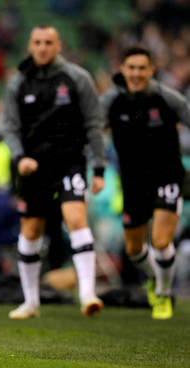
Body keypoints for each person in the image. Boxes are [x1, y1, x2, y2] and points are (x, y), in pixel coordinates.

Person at [2, 25, 106, 319]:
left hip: (70, 162)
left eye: (49, 42)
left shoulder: (77, 78)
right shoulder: (19, 83)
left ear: (59, 45)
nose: (43, 47)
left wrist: (98, 168)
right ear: (30, 46)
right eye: (37, 42)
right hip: (33, 166)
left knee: (75, 217)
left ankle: (87, 293)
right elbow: (10, 126)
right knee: (31, 230)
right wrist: (20, 157)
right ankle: (31, 302)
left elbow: (94, 124)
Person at [100, 45, 190, 319]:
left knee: (161, 241)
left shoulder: (168, 99)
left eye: (142, 68)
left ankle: (163, 293)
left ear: (151, 70)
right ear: (123, 70)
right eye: (132, 68)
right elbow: (91, 131)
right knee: (134, 249)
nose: (137, 73)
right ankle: (154, 278)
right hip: (133, 182)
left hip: (168, 176)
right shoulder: (112, 101)